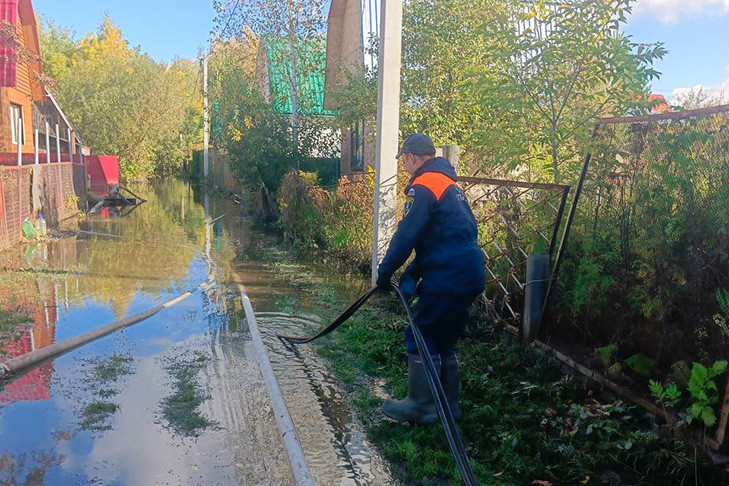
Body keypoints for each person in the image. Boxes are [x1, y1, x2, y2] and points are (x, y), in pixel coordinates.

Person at [376, 133, 485, 424]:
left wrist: (385, 272)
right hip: (468, 270)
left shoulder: (423, 185)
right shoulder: (450, 185)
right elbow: (442, 238)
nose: (404, 167)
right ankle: (449, 407)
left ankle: (421, 406)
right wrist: (413, 273)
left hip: (448, 273)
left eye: (403, 161)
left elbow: (407, 236)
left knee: (420, 333)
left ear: (411, 157)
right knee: (443, 339)